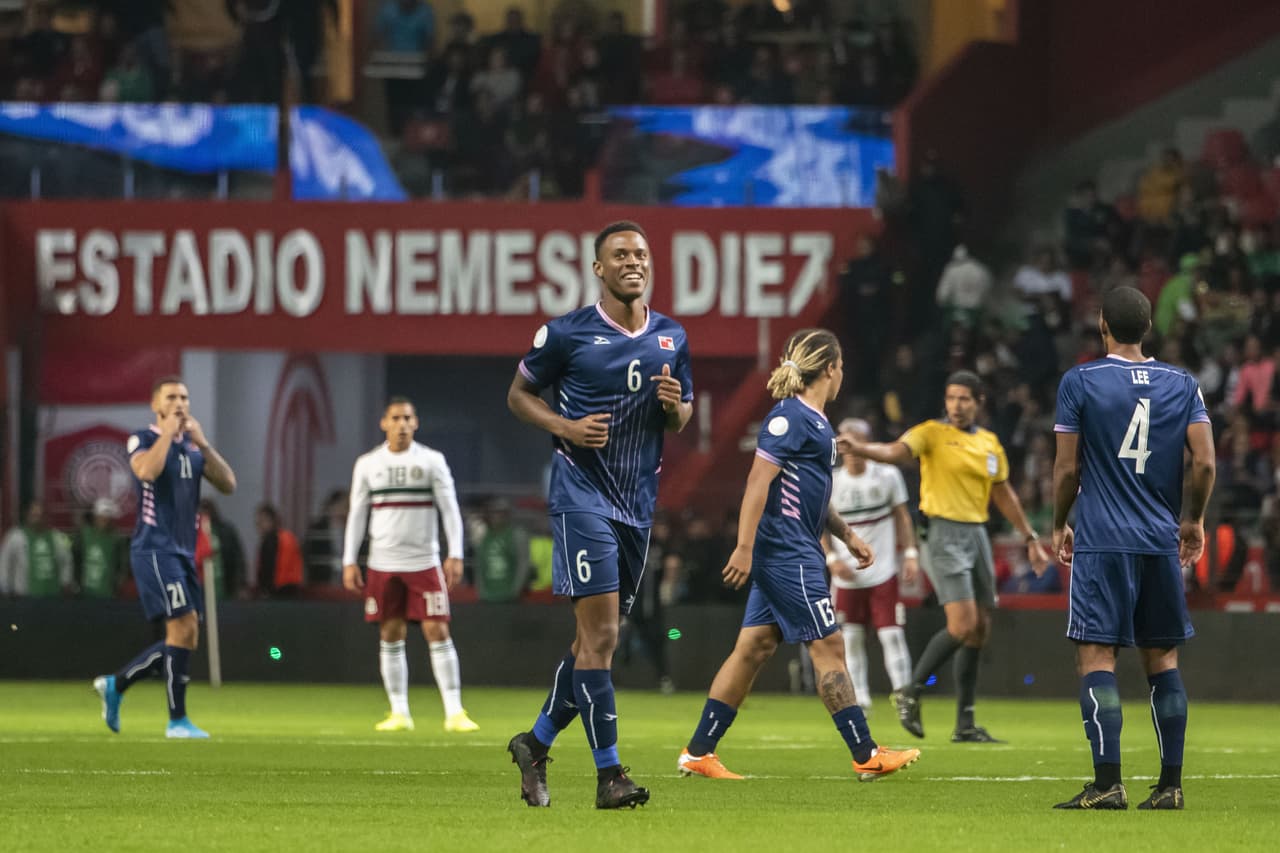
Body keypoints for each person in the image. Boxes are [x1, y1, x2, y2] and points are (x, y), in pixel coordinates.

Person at [505, 220, 693, 810]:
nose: (633, 261)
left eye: (640, 252)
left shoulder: (671, 336)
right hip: (581, 496)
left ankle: (533, 744)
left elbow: (683, 415)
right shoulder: (566, 334)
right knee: (604, 637)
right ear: (598, 268)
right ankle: (609, 776)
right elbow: (518, 396)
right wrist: (565, 427)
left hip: (638, 505)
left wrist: (674, 409)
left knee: (592, 643)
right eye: (620, 254)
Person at [676, 330, 920, 782]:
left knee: (753, 647)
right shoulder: (787, 418)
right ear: (830, 368)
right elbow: (756, 482)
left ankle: (698, 751)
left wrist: (846, 533)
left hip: (794, 547)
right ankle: (866, 752)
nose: (842, 373)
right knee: (829, 645)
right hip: (787, 552)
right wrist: (745, 547)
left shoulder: (817, 422)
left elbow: (813, 493)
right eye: (840, 365)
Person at [1050, 286, 1215, 810]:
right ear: (1147, 328)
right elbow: (1206, 462)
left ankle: (1107, 784)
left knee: (1096, 656)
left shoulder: (1081, 381)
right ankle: (1170, 786)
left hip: (1102, 540)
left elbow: (1068, 468)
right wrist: (1193, 519)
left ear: (1103, 326)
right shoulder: (1182, 383)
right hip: (1159, 541)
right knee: (1162, 659)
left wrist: (1059, 523)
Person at [842, 370, 1049, 742]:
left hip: (977, 533)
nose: (956, 405)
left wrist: (1030, 537)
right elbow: (894, 451)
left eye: (964, 398)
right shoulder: (931, 433)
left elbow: (1003, 494)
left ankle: (965, 723)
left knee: (980, 629)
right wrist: (860, 448)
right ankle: (911, 690)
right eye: (951, 397)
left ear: (979, 402)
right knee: (962, 624)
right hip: (942, 533)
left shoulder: (989, 443)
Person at [93, 376, 237, 738]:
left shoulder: (192, 447)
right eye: (172, 397)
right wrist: (167, 435)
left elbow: (228, 484)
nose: (180, 403)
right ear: (156, 405)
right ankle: (176, 721)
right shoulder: (142, 438)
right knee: (182, 627)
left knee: (187, 637)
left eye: (184, 397)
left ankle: (118, 684)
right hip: (154, 549)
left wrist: (202, 443)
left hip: (184, 552)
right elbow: (146, 471)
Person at [342, 397, 478, 734]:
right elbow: (357, 514)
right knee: (390, 632)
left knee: (437, 629)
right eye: (396, 418)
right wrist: (349, 560)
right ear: (384, 423)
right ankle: (399, 712)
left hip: (423, 561)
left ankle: (454, 711)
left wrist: (455, 553)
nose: (402, 424)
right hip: (382, 562)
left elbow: (450, 509)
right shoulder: (368, 463)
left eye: (407, 418)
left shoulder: (432, 461)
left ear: (415, 423)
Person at [825, 418, 918, 712]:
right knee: (850, 638)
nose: (850, 451)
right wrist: (831, 559)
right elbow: (817, 526)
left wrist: (911, 553)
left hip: (883, 571)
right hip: (847, 576)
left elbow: (902, 516)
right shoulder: (832, 482)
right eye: (845, 444)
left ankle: (904, 695)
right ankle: (861, 698)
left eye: (855, 443)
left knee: (891, 634)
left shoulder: (887, 475)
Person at [0, 500, 73, 598]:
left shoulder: (58, 537)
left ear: (46, 517)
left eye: (40, 515)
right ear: (27, 516)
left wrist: (66, 581)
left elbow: (67, 560)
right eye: (34, 515)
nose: (37, 518)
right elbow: (4, 562)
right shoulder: (15, 536)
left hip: (52, 596)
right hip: (23, 597)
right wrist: (5, 588)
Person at [74, 498, 126, 599]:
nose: (104, 520)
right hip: (85, 593)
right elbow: (76, 557)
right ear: (95, 517)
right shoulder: (84, 534)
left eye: (107, 517)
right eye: (101, 517)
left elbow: (122, 565)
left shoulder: (116, 539)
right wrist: (76, 583)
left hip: (107, 594)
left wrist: (118, 584)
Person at [253, 504, 304, 598]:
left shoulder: (270, 540)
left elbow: (268, 568)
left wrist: (264, 589)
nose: (259, 526)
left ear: (272, 521)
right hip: (292, 589)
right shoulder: (289, 537)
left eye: (261, 522)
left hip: (278, 590)